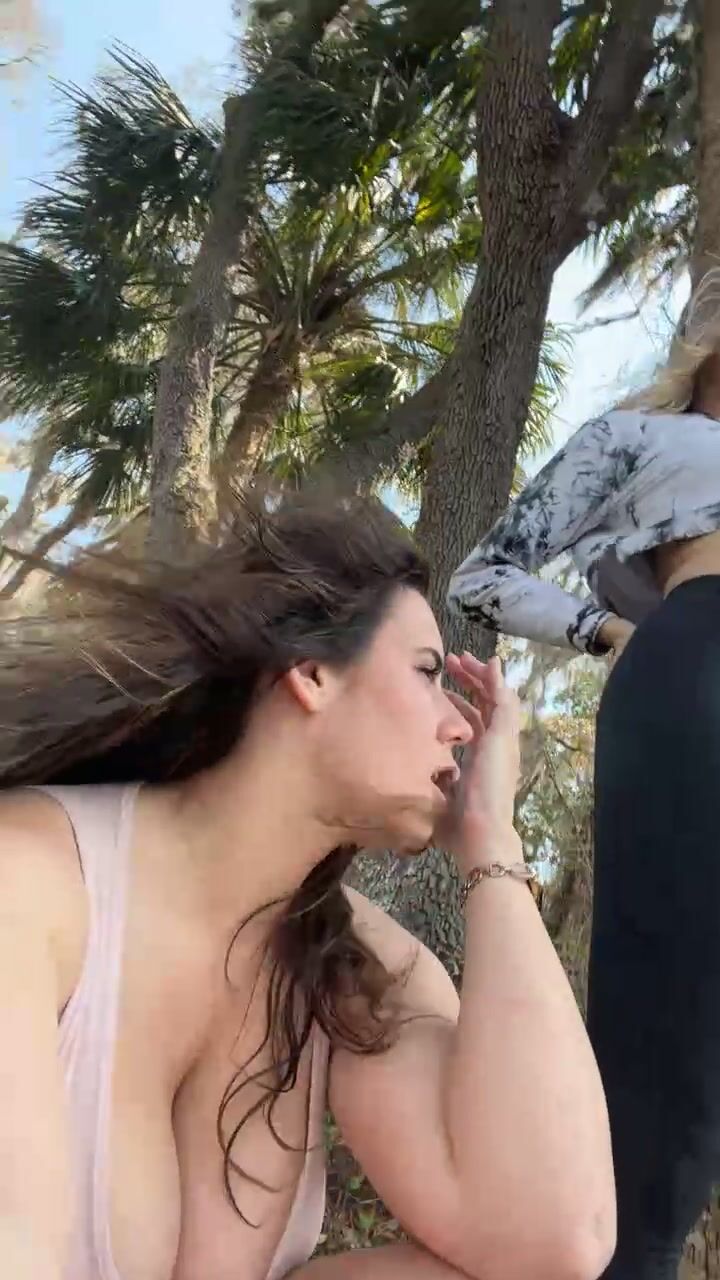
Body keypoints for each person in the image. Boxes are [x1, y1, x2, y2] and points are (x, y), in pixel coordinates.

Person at [0, 492, 614, 1280]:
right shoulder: (31, 880)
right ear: (313, 673)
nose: (463, 726)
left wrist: (493, 847)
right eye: (427, 672)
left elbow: (556, 1239)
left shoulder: (356, 965)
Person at [447, 268, 720, 1280]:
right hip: (696, 662)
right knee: (676, 1001)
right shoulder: (637, 438)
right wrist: (610, 631)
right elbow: (483, 573)